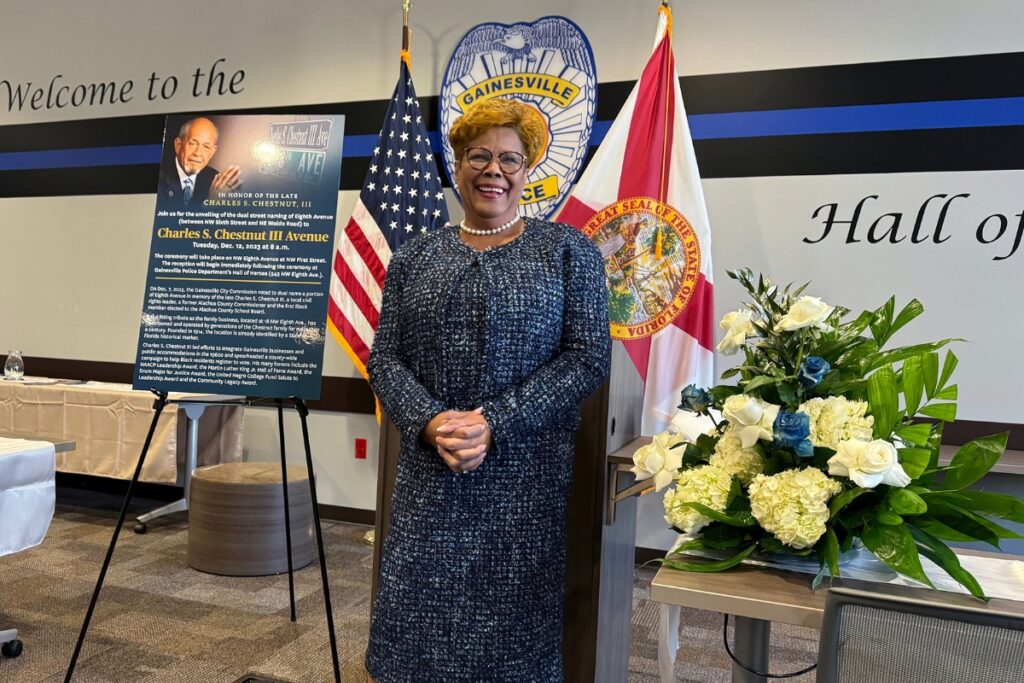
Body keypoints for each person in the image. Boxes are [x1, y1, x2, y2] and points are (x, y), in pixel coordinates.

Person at [364, 97, 611, 682]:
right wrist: (431, 422)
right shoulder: (415, 256)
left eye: (509, 158)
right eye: (478, 156)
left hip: (525, 480)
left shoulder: (567, 251)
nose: (493, 170)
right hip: (431, 472)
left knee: (512, 641)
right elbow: (385, 357)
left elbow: (588, 356)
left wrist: (493, 422)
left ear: (528, 169)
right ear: (457, 164)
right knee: (415, 628)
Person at [156, 116, 242, 206]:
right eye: (193, 144)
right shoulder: (159, 178)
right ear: (178, 145)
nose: (198, 153)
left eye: (206, 147)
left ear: (212, 152)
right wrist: (211, 203)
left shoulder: (216, 182)